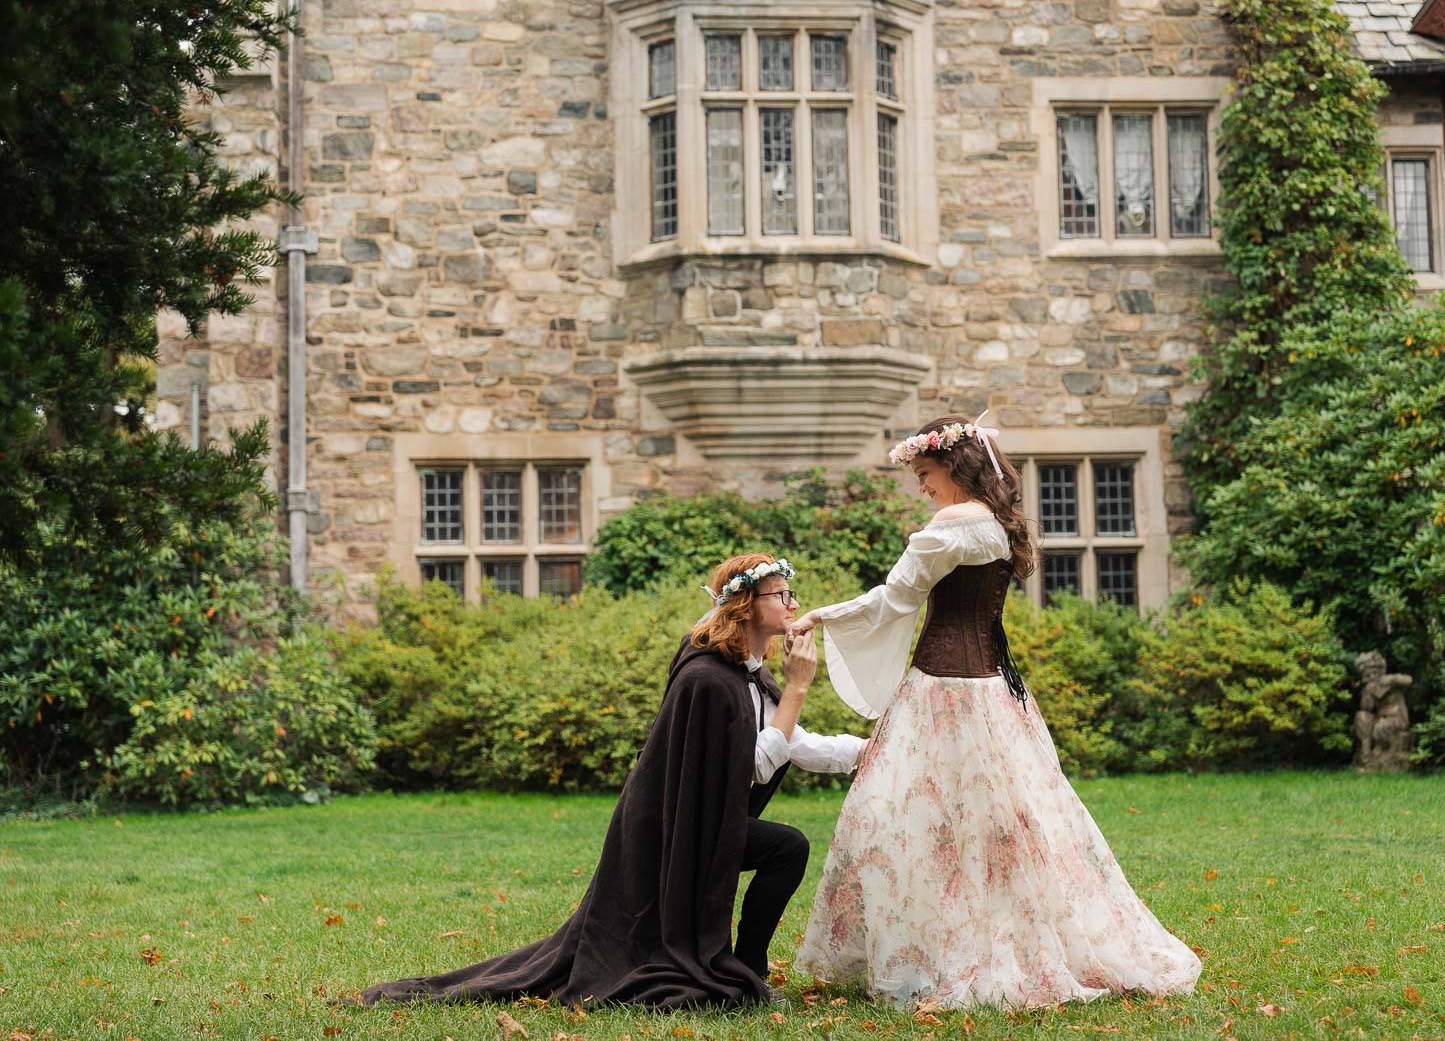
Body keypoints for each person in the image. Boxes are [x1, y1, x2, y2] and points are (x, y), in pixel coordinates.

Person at [788, 414, 1202, 1008]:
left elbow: (893, 601)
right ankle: (976, 941)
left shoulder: (947, 530)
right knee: (1006, 826)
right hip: (997, 693)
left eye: (925, 474)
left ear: (955, 467)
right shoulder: (999, 525)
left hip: (944, 692)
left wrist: (820, 616)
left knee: (904, 818)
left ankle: (933, 955)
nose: (922, 488)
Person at [346, 554, 864, 1009]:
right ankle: (746, 969)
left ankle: (747, 965)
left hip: (705, 822)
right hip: (667, 830)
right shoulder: (707, 678)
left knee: (786, 847)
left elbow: (793, 742)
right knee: (788, 846)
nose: (794, 603)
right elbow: (758, 763)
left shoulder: (749, 674)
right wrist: (799, 687)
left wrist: (872, 752)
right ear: (747, 604)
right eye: (782, 595)